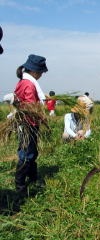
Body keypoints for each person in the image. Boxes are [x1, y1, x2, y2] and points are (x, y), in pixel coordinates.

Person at [14, 54, 48, 195]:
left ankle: (33, 178)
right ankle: (20, 186)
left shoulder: (23, 82)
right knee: (26, 154)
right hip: (28, 123)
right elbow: (29, 105)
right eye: (40, 73)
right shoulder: (29, 84)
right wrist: (41, 116)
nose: (41, 75)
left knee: (31, 152)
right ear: (34, 71)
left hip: (27, 122)